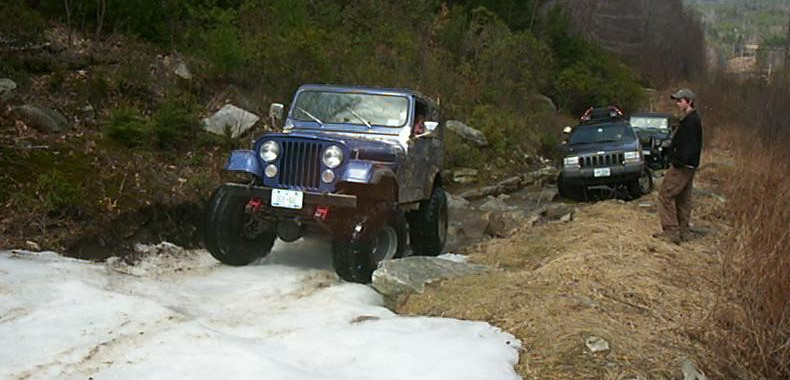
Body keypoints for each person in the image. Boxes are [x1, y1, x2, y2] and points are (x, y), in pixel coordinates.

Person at [654, 88, 703, 244]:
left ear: (689, 101)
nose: (677, 104)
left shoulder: (690, 121)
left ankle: (671, 232)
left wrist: (677, 161)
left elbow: (689, 146)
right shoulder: (692, 119)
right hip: (690, 165)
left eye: (680, 101)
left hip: (683, 166)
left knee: (665, 195)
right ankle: (684, 232)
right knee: (683, 198)